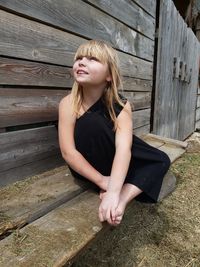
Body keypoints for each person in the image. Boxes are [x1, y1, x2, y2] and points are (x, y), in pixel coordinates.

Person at [58, 39, 170, 226]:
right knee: (93, 122)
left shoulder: (121, 106)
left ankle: (121, 200)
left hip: (116, 156)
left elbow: (123, 149)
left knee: (161, 159)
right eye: (79, 58)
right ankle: (114, 186)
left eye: (92, 59)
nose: (82, 62)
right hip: (90, 167)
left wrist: (113, 193)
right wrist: (102, 181)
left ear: (109, 75)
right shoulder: (68, 104)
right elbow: (68, 152)